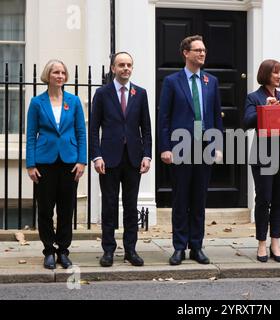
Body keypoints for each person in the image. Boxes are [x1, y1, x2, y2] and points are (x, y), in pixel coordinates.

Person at [158, 35, 223, 266]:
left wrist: (217, 146)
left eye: (204, 50)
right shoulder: (172, 82)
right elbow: (164, 117)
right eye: (197, 50)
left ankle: (197, 246)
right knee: (180, 198)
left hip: (205, 147)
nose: (202, 54)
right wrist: (165, 148)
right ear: (186, 53)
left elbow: (216, 116)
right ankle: (179, 247)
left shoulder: (211, 81)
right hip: (181, 146)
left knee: (198, 199)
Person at [90, 52, 152, 267]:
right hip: (108, 159)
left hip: (133, 159)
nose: (126, 68)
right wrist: (96, 156)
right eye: (121, 65)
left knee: (131, 205)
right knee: (108, 205)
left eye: (129, 65)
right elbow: (93, 128)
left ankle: (130, 250)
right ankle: (108, 250)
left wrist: (147, 155)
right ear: (113, 68)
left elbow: (146, 128)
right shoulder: (102, 93)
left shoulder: (140, 93)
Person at [26, 59, 86, 269]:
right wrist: (30, 164)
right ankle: (49, 250)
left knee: (66, 208)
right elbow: (31, 135)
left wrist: (82, 160)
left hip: (69, 161)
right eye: (56, 73)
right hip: (44, 162)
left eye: (63, 73)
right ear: (47, 76)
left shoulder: (74, 101)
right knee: (45, 208)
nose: (60, 76)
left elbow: (81, 132)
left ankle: (63, 250)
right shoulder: (36, 102)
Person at [243, 59, 280, 263]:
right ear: (266, 74)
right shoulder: (254, 97)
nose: (279, 76)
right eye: (275, 73)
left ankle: (276, 242)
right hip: (263, 156)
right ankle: (261, 244)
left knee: (279, 200)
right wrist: (264, 108)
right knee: (264, 199)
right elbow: (246, 123)